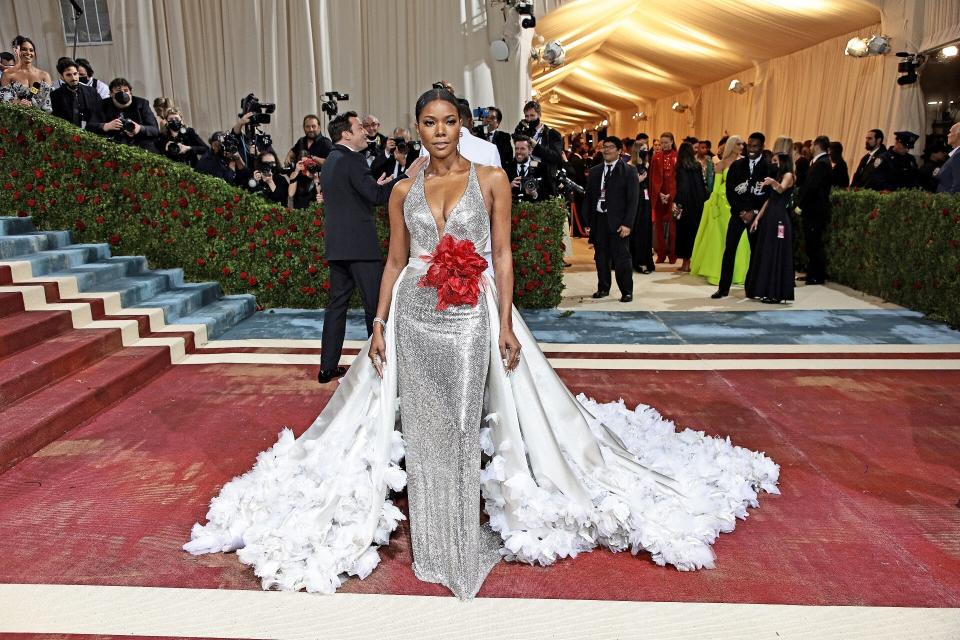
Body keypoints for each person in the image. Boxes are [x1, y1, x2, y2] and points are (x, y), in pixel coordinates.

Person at [185, 88, 780, 600]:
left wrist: (502, 324)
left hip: (473, 314)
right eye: (428, 122)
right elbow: (395, 261)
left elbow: (501, 254)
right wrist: (378, 323)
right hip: (415, 314)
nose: (439, 132)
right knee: (423, 423)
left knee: (464, 420)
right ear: (416, 129)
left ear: (461, 126)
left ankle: (459, 532)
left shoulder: (492, 179)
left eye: (449, 121)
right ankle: (435, 533)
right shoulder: (400, 192)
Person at [315, 111, 425, 383]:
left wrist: (376, 186)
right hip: (361, 248)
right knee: (376, 307)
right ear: (346, 134)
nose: (366, 132)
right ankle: (378, 366)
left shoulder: (331, 159)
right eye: (359, 128)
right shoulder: (351, 160)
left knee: (337, 306)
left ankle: (327, 368)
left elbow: (354, 195)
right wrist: (406, 177)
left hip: (338, 247)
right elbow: (376, 197)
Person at [712, 132, 771, 299]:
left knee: (755, 252)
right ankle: (723, 289)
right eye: (749, 145)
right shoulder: (737, 166)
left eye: (755, 146)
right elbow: (731, 192)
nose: (751, 149)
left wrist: (754, 212)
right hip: (738, 215)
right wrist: (742, 212)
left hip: (756, 218)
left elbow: (767, 194)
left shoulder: (768, 168)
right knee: (729, 250)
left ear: (762, 147)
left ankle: (751, 288)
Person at [584, 136, 639, 302]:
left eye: (610, 147)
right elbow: (589, 198)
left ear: (619, 151)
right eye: (604, 147)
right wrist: (587, 222)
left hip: (618, 222)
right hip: (599, 220)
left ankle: (626, 291)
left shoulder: (629, 171)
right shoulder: (595, 171)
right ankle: (603, 288)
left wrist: (627, 224)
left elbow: (633, 200)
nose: (606, 150)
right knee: (601, 257)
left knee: (622, 258)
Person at [690, 136, 748, 286]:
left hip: (741, 201)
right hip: (723, 203)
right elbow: (716, 187)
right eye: (738, 144)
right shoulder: (722, 163)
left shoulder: (746, 162)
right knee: (721, 238)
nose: (741, 146)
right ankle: (718, 271)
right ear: (731, 146)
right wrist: (714, 204)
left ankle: (740, 272)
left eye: (742, 144)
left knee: (741, 239)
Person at [745, 153, 796, 304]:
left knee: (777, 253)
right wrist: (757, 218)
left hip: (779, 219)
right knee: (766, 252)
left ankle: (776, 293)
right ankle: (764, 290)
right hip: (769, 218)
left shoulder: (788, 175)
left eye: (775, 161)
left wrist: (772, 182)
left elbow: (780, 190)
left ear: (783, 162)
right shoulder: (778, 176)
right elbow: (769, 200)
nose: (772, 163)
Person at [797, 136, 832, 285]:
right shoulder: (820, 162)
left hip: (814, 210)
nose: (810, 148)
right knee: (811, 242)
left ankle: (817, 275)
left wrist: (801, 205)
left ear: (817, 146)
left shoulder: (821, 164)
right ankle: (812, 273)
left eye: (812, 145)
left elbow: (811, 187)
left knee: (814, 243)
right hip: (814, 209)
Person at [88, 78, 160, 149]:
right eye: (118, 91)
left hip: (139, 144)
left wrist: (140, 128)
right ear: (111, 94)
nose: (123, 93)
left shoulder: (142, 104)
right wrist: (106, 126)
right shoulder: (102, 105)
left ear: (131, 92)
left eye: (126, 90)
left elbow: (155, 130)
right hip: (112, 145)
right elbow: (90, 126)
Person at [673, 142, 708, 273]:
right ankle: (693, 262)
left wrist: (677, 202)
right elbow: (702, 185)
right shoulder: (697, 165)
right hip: (698, 203)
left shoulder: (681, 167)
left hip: (686, 204)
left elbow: (683, 187)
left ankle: (685, 264)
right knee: (694, 233)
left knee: (684, 234)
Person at [0, 36, 52, 113]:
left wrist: (33, 104)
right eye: (24, 49)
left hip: (41, 121)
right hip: (17, 119)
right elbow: (6, 100)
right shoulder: (8, 74)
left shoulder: (44, 75)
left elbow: (47, 104)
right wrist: (19, 103)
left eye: (31, 50)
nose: (28, 53)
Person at [648, 132, 678, 264]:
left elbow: (678, 178)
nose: (664, 145)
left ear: (672, 141)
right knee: (658, 226)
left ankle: (672, 254)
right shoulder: (656, 157)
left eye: (666, 142)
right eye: (662, 143)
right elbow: (652, 177)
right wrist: (659, 193)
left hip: (673, 194)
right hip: (659, 194)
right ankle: (661, 254)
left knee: (673, 227)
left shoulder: (677, 157)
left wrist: (671, 194)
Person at [50, 58, 102, 129]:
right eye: (68, 75)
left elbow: (100, 113)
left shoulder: (91, 92)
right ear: (62, 77)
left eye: (75, 74)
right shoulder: (55, 95)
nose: (73, 78)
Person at [629, 134, 654, 274]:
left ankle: (644, 260)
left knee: (644, 231)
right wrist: (636, 181)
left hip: (645, 202)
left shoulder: (647, 165)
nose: (646, 151)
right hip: (634, 201)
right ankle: (634, 261)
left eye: (647, 148)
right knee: (635, 230)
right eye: (643, 148)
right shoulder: (629, 166)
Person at [505, 135, 552, 202]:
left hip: (534, 210)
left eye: (522, 149)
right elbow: (499, 194)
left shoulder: (542, 168)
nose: (518, 152)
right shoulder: (507, 168)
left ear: (530, 151)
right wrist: (509, 187)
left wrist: (535, 194)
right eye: (516, 148)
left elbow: (549, 195)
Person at [936, 122, 960, 194]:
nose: (948, 135)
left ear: (958, 136)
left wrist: (949, 203)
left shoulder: (958, 155)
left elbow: (957, 185)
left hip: (948, 202)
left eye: (950, 132)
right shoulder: (956, 154)